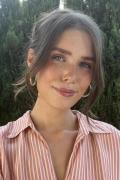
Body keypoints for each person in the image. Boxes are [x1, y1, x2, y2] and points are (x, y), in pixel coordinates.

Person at [0, 8, 120, 180]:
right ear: (32, 60)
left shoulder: (114, 142)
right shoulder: (3, 149)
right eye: (59, 57)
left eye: (85, 64)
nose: (70, 76)